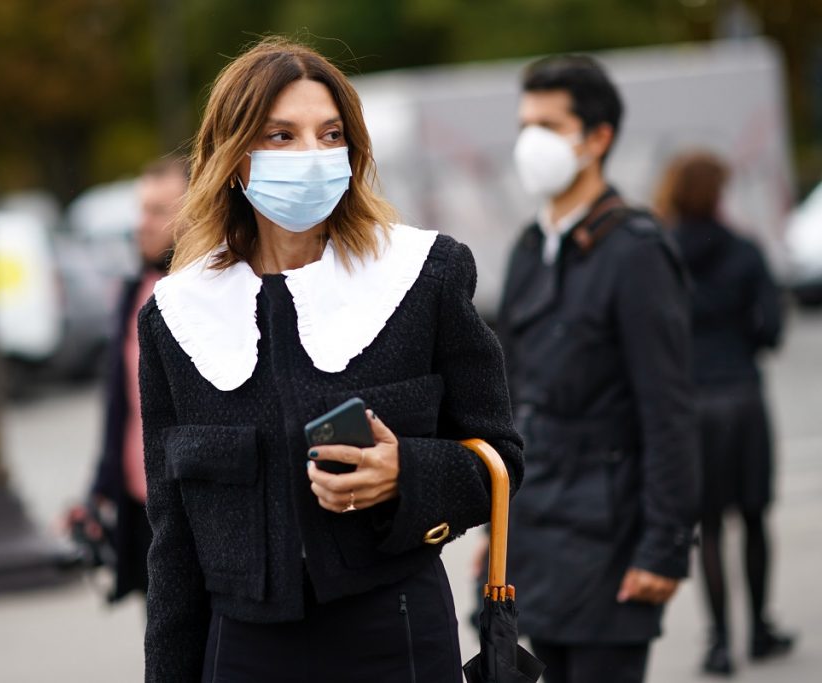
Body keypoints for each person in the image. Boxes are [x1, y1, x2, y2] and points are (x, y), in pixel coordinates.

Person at [137, 37, 523, 682]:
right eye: (281, 136)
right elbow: (172, 544)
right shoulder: (177, 314)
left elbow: (502, 458)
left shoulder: (422, 274)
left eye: (330, 133)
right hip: (243, 651)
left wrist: (408, 473)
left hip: (394, 628)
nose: (311, 156)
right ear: (234, 158)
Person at [496, 55, 699, 683]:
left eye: (549, 126)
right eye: (525, 123)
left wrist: (664, 547)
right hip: (538, 541)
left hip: (611, 548)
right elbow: (513, 403)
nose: (530, 141)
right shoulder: (529, 249)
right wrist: (498, 533)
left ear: (598, 138)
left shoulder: (635, 251)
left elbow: (668, 412)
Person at [656, 151, 794, 676]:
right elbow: (771, 331)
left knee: (708, 525)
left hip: (690, 404)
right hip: (742, 397)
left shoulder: (662, 253)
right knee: (754, 517)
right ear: (717, 194)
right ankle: (760, 629)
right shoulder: (744, 250)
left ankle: (719, 642)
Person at [69, 156, 188, 602]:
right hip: (141, 506)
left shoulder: (217, 294)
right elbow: (120, 406)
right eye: (140, 210)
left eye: (158, 211)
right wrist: (99, 491)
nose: (142, 224)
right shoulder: (133, 292)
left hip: (194, 510)